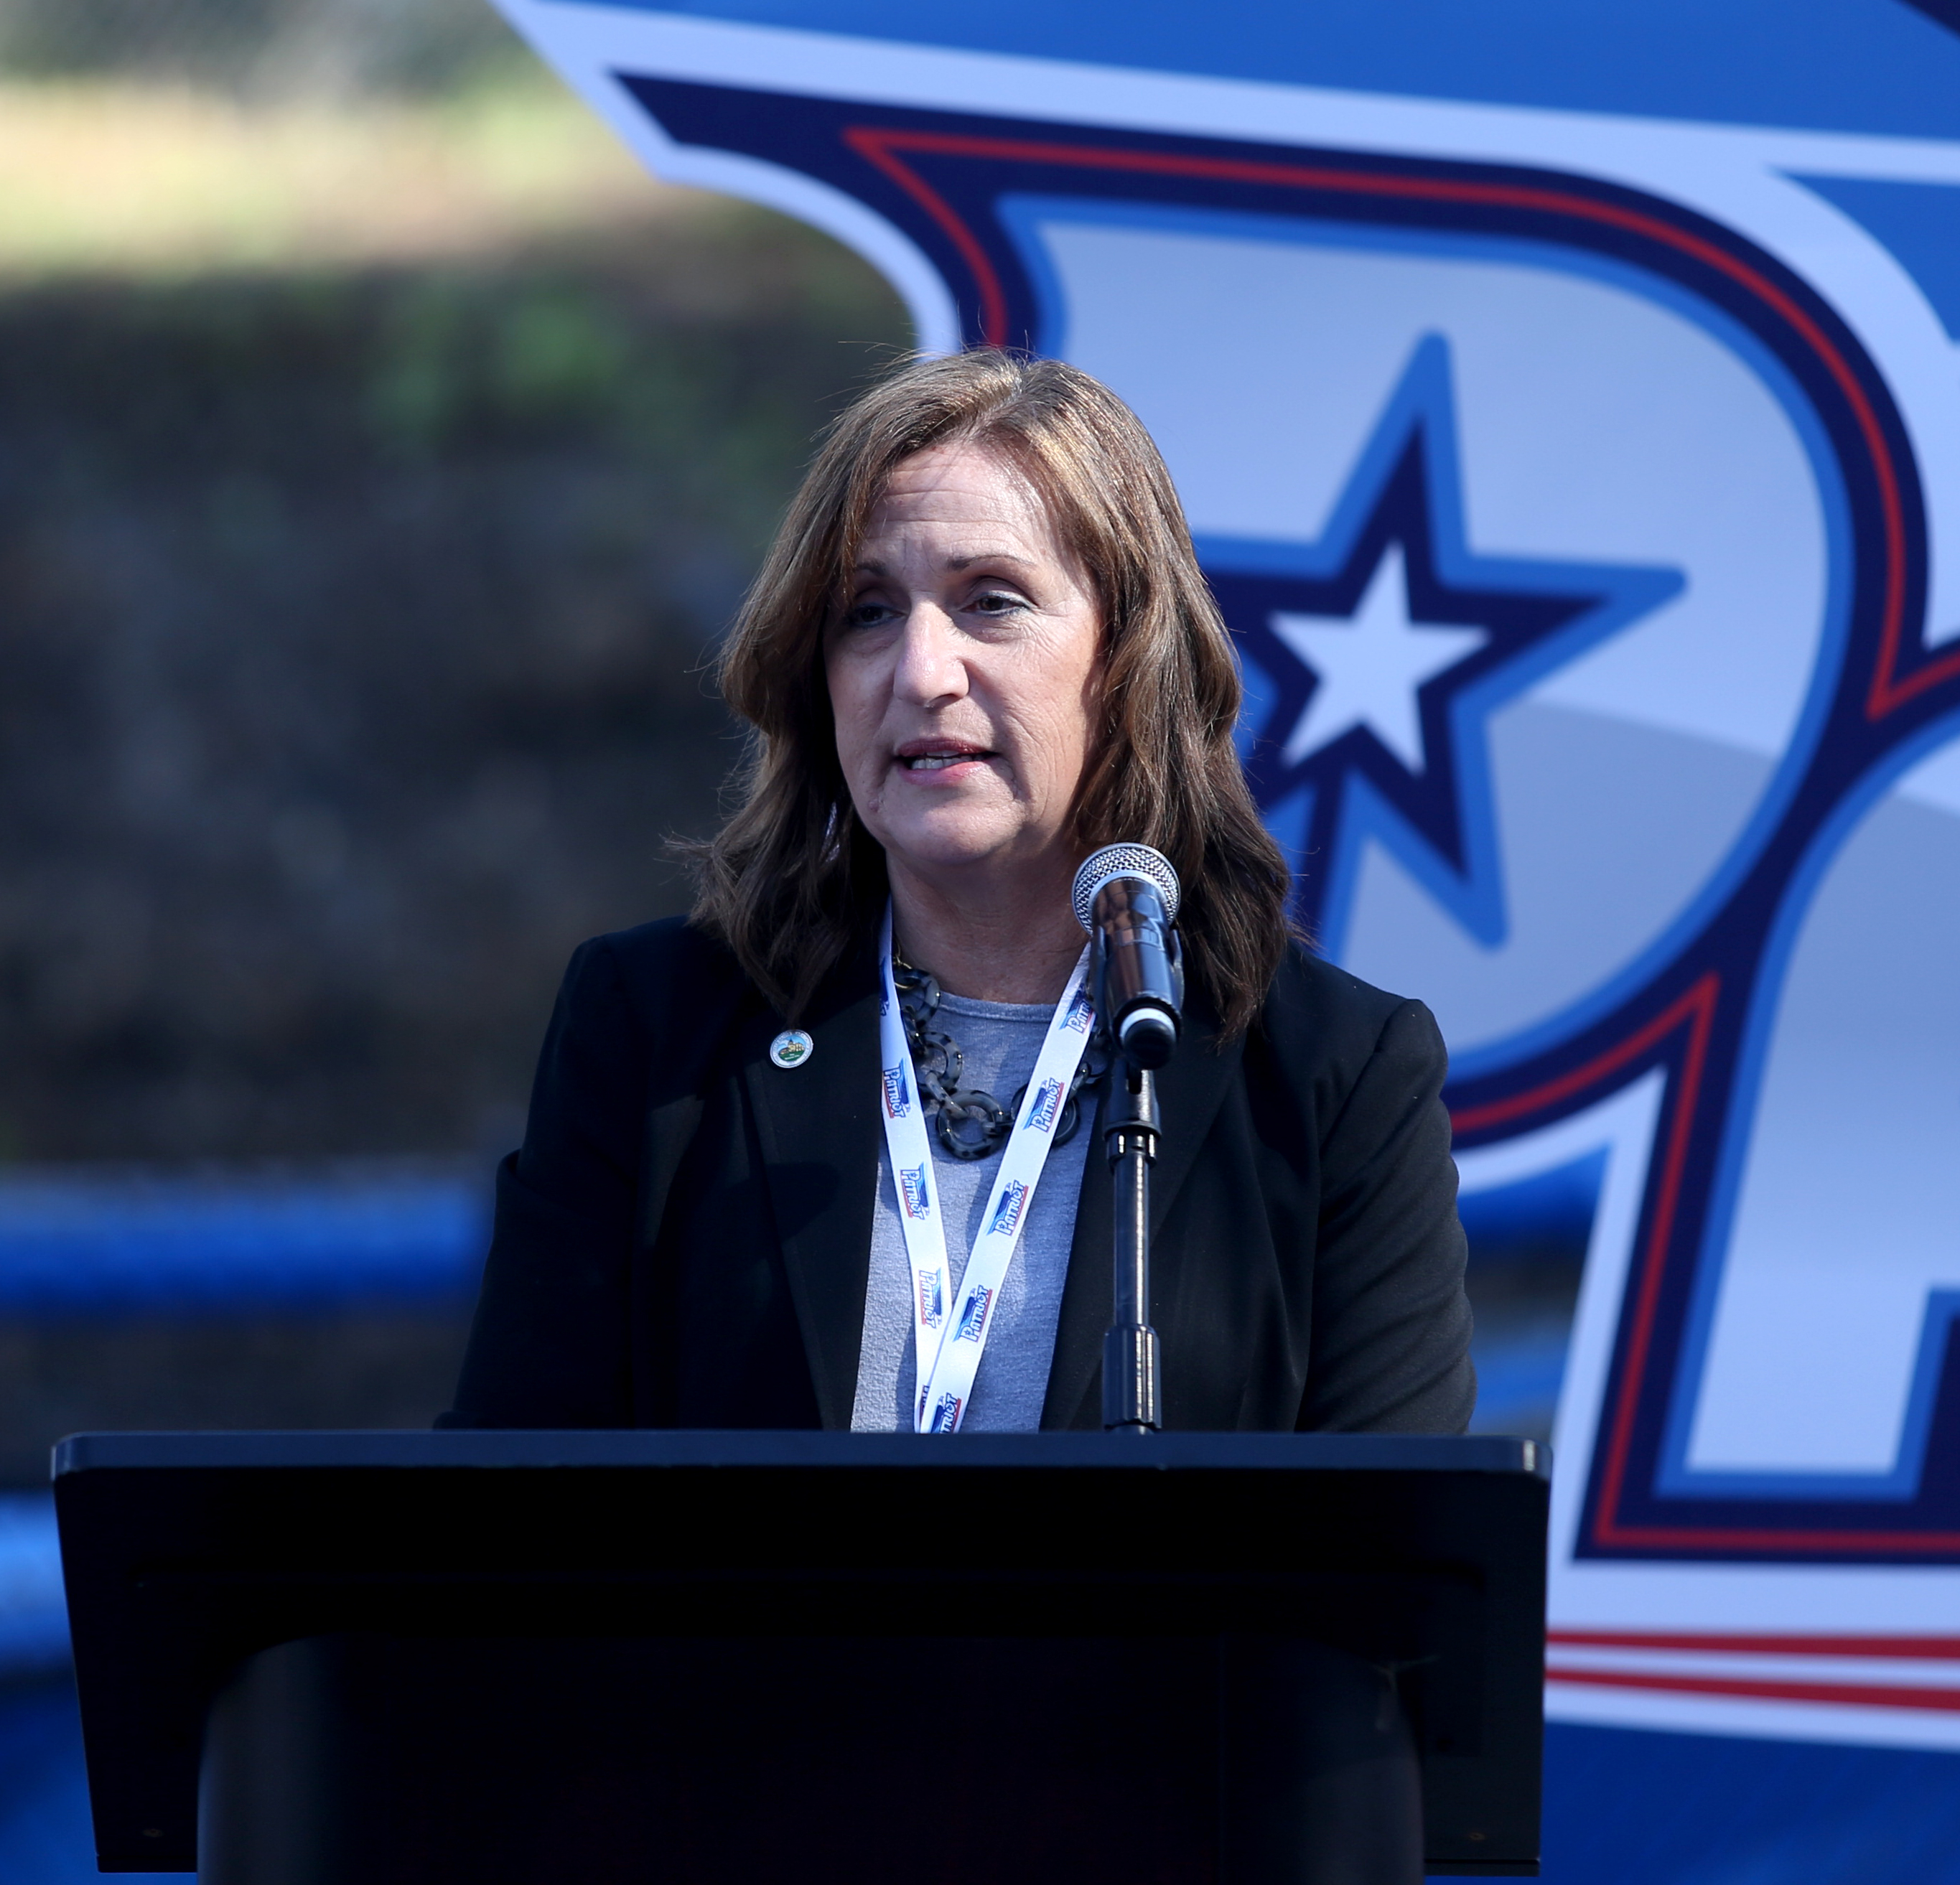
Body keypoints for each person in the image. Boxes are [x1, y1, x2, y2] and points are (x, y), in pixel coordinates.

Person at [440, 348, 1473, 1439]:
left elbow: (1396, 1573)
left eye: (991, 602)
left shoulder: (1336, 1079)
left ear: (1125, 660)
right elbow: (504, 1523)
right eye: (868, 614)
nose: (921, 672)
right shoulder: (652, 1034)